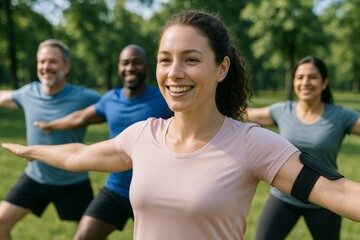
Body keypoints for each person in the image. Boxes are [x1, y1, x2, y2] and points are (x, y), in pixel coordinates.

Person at [2, 10, 360, 240]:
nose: (174, 73)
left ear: (221, 68)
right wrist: (30, 150)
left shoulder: (251, 143)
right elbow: (80, 155)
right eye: (165, 60)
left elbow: (341, 192)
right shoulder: (144, 135)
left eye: (191, 60)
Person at [33, 44, 172, 240]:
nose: (130, 68)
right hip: (115, 190)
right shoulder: (110, 100)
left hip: (154, 194)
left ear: (147, 67)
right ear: (118, 67)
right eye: (125, 63)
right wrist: (51, 125)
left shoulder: (164, 100)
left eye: (136, 63)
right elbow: (80, 117)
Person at [245, 56, 360, 240]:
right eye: (300, 77)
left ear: (324, 82)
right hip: (284, 197)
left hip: (325, 200)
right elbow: (245, 115)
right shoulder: (282, 111)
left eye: (312, 77)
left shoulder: (340, 116)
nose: (305, 82)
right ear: (293, 82)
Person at [0, 39, 101, 239]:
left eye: (52, 62)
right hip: (36, 177)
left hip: (73, 181)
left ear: (66, 66)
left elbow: (115, 106)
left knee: (88, 236)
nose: (46, 66)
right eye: (42, 61)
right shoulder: (28, 92)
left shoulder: (84, 97)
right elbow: (4, 97)